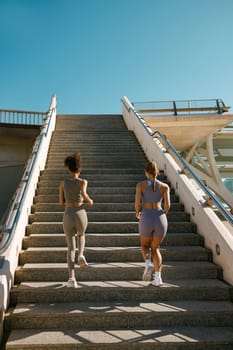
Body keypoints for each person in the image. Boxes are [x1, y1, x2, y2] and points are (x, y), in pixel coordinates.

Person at [59, 152, 93, 288]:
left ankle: (72, 278)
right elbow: (84, 195)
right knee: (81, 235)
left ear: (68, 169)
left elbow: (61, 202)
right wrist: (90, 200)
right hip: (80, 212)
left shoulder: (62, 183)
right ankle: (81, 255)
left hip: (68, 214)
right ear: (79, 169)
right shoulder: (83, 182)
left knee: (70, 248)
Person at [135, 161, 170, 286]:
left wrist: (137, 212)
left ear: (146, 172)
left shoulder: (140, 185)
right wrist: (162, 214)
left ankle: (148, 263)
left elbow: (137, 203)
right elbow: (167, 206)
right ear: (157, 172)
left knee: (145, 246)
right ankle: (158, 278)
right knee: (156, 248)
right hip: (160, 217)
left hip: (147, 216)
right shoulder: (165, 187)